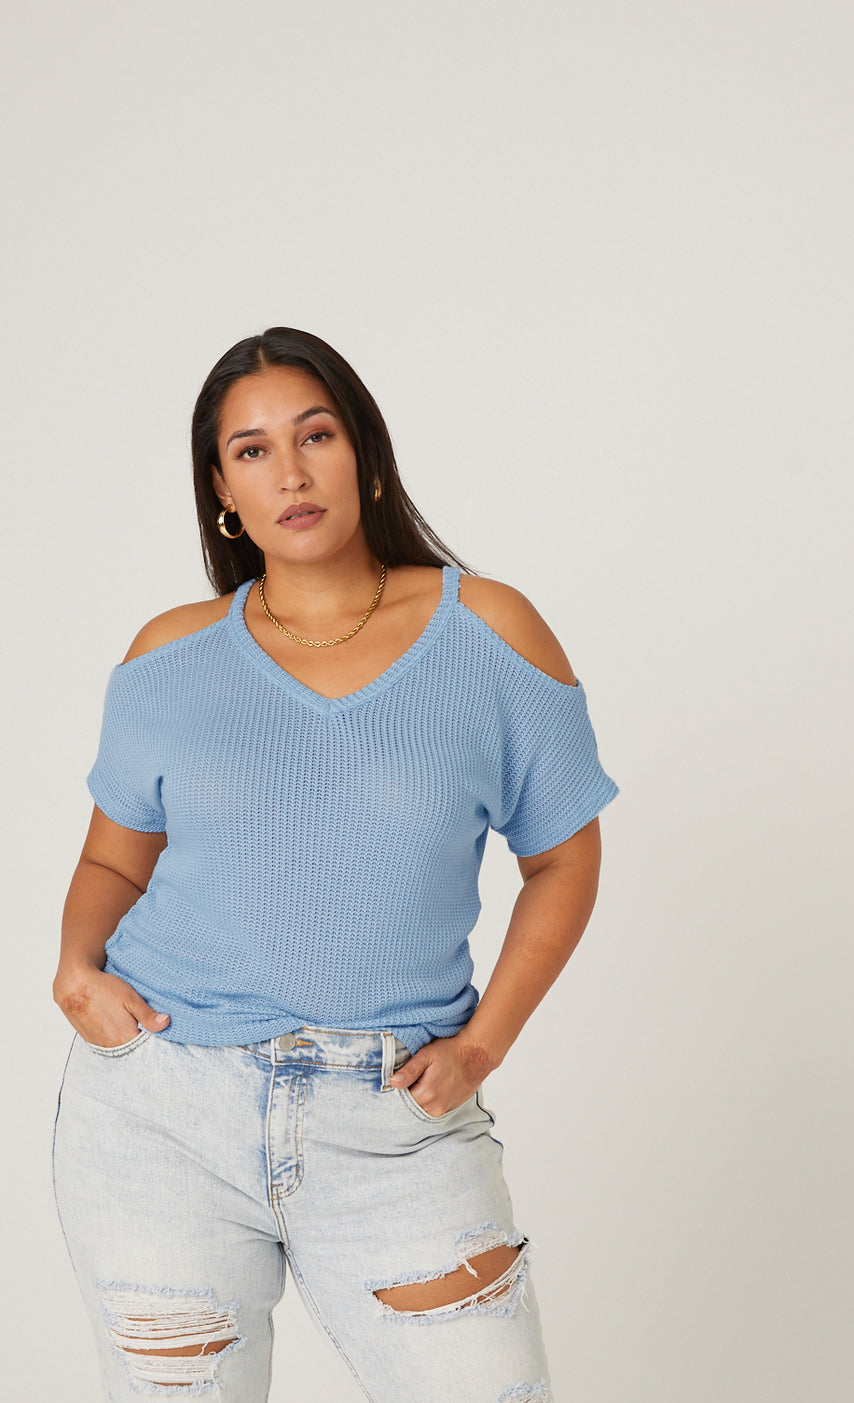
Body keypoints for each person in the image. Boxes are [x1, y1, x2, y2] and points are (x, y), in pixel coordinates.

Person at [51, 326, 619, 1403]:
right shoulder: (168, 655)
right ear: (222, 490)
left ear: (364, 452)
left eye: (315, 435)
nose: (292, 472)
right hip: (161, 1113)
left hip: (395, 1122)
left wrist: (482, 1045)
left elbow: (563, 858)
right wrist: (77, 968)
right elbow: (112, 862)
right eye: (252, 450)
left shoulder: (489, 631)